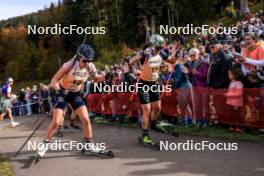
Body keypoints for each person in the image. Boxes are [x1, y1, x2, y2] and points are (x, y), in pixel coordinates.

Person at [37, 44, 105, 157]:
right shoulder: (68, 65)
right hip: (63, 93)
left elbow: (95, 79)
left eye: (90, 60)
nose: (87, 63)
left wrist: (104, 76)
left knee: (86, 119)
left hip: (75, 94)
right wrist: (59, 90)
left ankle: (88, 144)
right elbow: (54, 80)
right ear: (79, 57)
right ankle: (45, 143)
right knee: (56, 122)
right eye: (85, 60)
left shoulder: (90, 66)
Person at [128, 34, 175, 144]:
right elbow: (131, 62)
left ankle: (153, 124)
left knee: (157, 108)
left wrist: (176, 53)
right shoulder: (144, 53)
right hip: (143, 84)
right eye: (157, 47)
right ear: (151, 45)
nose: (159, 50)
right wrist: (142, 54)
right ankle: (145, 134)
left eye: (160, 47)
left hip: (154, 83)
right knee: (147, 110)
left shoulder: (161, 53)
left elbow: (172, 61)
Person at [207, 39, 233, 122]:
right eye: (209, 48)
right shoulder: (214, 56)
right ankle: (221, 121)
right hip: (215, 87)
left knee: (223, 105)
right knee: (217, 104)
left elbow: (224, 75)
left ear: (219, 46)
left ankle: (225, 122)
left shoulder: (225, 57)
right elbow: (211, 72)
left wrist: (215, 85)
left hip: (222, 87)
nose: (211, 49)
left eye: (213, 47)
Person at [188, 48, 210, 127]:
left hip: (203, 87)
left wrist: (197, 73)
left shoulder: (204, 63)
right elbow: (191, 74)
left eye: (194, 55)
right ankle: (199, 120)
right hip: (195, 86)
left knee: (205, 105)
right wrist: (187, 72)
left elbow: (206, 76)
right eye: (190, 56)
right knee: (197, 105)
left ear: (198, 55)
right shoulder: (191, 63)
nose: (192, 57)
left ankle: (206, 121)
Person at [226, 67, 244, 132]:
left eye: (230, 74)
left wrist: (228, 95)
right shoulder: (231, 82)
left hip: (236, 103)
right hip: (229, 102)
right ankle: (233, 126)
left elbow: (239, 94)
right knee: (231, 115)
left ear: (235, 75)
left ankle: (240, 127)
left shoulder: (239, 83)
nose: (228, 75)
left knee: (237, 115)